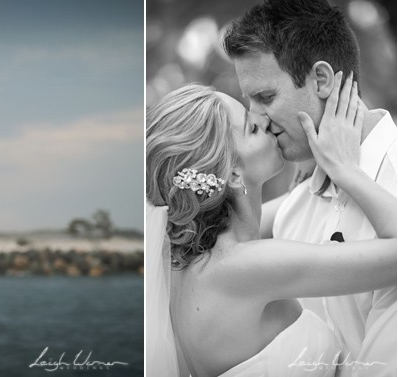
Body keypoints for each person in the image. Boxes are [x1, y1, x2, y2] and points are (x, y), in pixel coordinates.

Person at [145, 79, 395, 375]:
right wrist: (345, 170)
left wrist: (316, 166)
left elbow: (284, 209)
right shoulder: (249, 266)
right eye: (252, 128)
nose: (265, 121)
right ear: (234, 174)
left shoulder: (186, 265)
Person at [224, 0, 396, 375]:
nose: (256, 119)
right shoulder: (295, 206)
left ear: (321, 80)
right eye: (248, 101)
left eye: (266, 97)